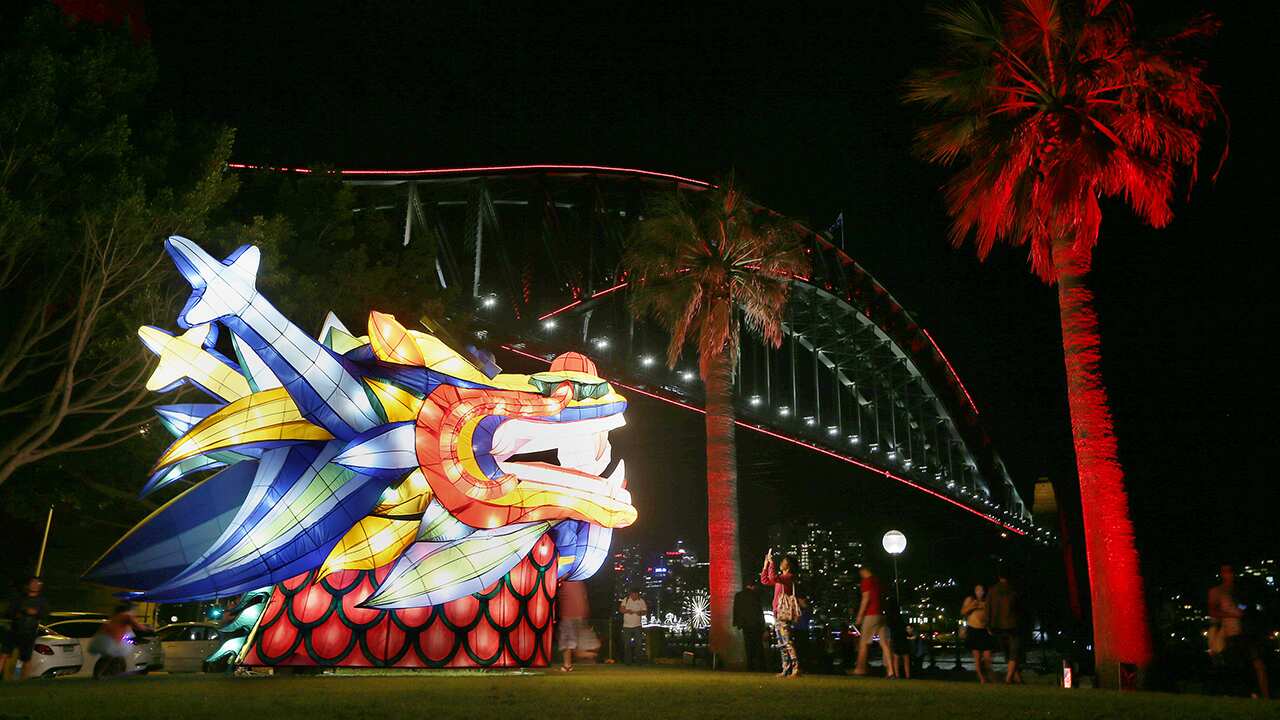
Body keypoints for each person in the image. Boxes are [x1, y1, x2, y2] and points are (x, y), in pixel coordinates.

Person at [1209, 564, 1270, 699]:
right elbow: (1213, 611)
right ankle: (1249, 694)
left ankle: (1262, 695)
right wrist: (1232, 615)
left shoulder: (1241, 588)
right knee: (1240, 665)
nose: (1229, 575)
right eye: (1225, 572)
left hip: (1247, 630)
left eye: (1230, 571)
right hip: (1233, 631)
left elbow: (1251, 604)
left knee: (1256, 663)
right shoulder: (1218, 591)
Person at [760, 550, 801, 678]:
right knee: (782, 643)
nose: (781, 563)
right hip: (778, 613)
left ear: (788, 565)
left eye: (783, 562)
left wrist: (770, 563)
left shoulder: (788, 578)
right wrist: (766, 564)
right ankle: (786, 668)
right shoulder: (781, 579)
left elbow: (771, 578)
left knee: (787, 642)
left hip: (783, 614)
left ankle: (795, 668)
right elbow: (765, 580)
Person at [1, 576, 49, 681]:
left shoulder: (41, 601)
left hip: (29, 632)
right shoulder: (20, 598)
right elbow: (9, 612)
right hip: (14, 630)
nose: (35, 585)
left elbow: (45, 614)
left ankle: (23, 680)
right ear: (28, 585)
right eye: (33, 583)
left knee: (26, 658)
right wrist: (18, 613)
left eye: (38, 583)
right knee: (4, 654)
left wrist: (36, 613)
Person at [90, 602, 152, 679]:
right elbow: (136, 625)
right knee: (108, 657)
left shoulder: (116, 617)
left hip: (103, 637)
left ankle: (101, 674)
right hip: (110, 639)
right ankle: (98, 675)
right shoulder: (126, 616)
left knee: (108, 657)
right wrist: (147, 629)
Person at [853, 565, 895, 677]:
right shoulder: (878, 581)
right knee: (884, 644)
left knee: (863, 642)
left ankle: (860, 669)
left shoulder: (866, 582)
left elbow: (866, 599)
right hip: (881, 615)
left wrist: (859, 616)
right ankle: (891, 671)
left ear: (864, 571)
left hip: (871, 614)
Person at [987, 569, 1022, 684]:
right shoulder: (1012, 589)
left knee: (1007, 652)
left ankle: (1017, 678)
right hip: (1012, 624)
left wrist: (988, 624)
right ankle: (1009, 678)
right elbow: (1018, 606)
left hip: (997, 625)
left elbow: (988, 608)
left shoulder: (992, 590)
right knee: (1014, 652)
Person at [557, 581, 596, 672]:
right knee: (572, 642)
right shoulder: (579, 583)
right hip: (577, 615)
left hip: (568, 615)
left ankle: (568, 664)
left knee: (568, 642)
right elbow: (583, 599)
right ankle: (585, 655)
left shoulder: (566, 583)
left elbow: (562, 598)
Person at [961, 583, 994, 683]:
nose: (980, 592)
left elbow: (990, 615)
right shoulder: (970, 600)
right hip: (973, 629)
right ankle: (981, 678)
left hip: (984, 630)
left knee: (988, 656)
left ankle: (988, 674)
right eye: (978, 590)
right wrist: (973, 606)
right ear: (975, 591)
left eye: (982, 590)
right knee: (977, 657)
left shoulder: (987, 601)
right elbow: (963, 611)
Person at [734, 580, 767, 671]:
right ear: (753, 586)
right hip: (755, 624)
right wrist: (763, 627)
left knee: (748, 645)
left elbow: (736, 610)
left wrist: (737, 623)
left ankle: (750, 665)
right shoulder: (755, 596)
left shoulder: (739, 596)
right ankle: (760, 666)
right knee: (758, 645)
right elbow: (759, 612)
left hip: (745, 624)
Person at [618, 588, 648, 665]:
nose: (634, 596)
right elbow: (621, 610)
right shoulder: (626, 599)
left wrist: (640, 613)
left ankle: (639, 661)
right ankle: (628, 661)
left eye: (636, 595)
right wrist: (628, 611)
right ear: (631, 594)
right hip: (627, 626)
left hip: (637, 625)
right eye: (633, 594)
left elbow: (645, 611)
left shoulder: (641, 601)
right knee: (627, 644)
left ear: (638, 594)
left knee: (639, 644)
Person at [885, 596, 911, 679]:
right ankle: (908, 675)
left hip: (895, 638)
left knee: (896, 657)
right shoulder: (900, 617)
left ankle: (897, 675)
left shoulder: (890, 617)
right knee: (906, 658)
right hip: (903, 638)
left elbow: (889, 626)